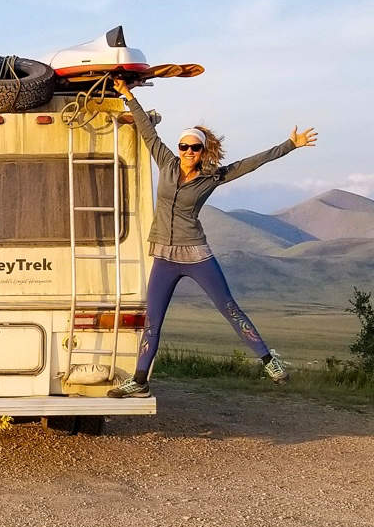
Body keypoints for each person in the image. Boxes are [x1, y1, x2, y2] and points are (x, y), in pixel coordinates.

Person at [106, 79, 318, 398]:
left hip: (195, 255)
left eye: (195, 147)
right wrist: (127, 95)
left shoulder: (212, 177)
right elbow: (146, 130)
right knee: (153, 321)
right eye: (184, 146)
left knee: (228, 307)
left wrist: (290, 145)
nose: (188, 152)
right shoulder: (165, 162)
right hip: (164, 255)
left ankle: (268, 360)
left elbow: (250, 164)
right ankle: (139, 380)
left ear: (203, 151)